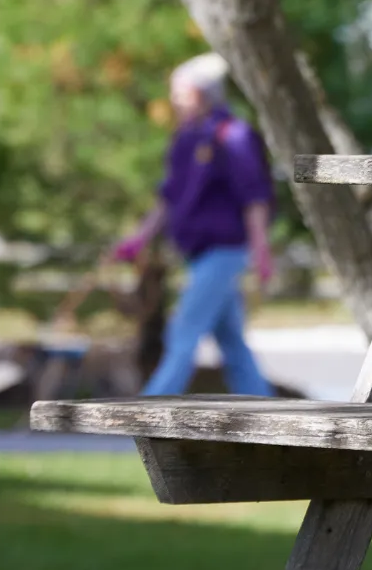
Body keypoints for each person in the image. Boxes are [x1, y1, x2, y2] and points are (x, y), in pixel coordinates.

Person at [112, 53, 276, 397]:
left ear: (201, 94)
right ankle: (264, 406)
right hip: (197, 253)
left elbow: (254, 199)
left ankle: (150, 411)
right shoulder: (186, 138)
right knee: (232, 343)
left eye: (180, 94)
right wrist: (139, 239)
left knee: (183, 333)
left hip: (225, 251)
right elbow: (168, 198)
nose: (174, 101)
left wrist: (261, 252)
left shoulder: (233, 136)